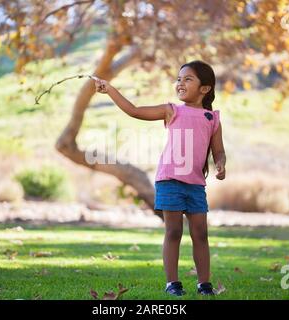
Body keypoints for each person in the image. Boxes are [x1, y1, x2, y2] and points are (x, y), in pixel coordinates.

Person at [93, 60, 226, 296]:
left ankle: (204, 284)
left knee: (200, 234)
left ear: (204, 88)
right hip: (170, 181)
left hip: (195, 184)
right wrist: (111, 89)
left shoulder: (212, 118)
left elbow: (218, 151)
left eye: (188, 79)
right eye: (178, 79)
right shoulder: (171, 110)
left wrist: (221, 165)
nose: (180, 83)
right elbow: (134, 110)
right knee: (173, 232)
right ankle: (172, 283)